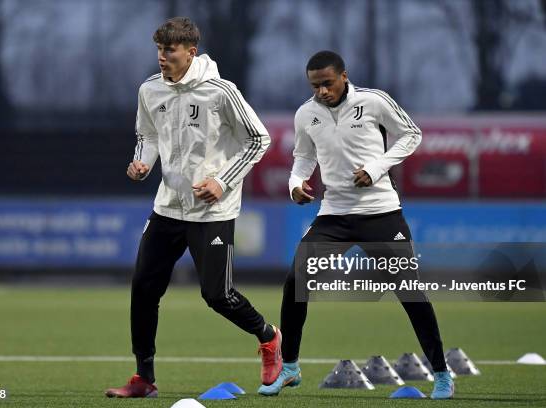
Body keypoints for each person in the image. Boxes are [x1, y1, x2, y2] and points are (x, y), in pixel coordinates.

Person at [258, 51, 454, 399]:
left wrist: (377, 168)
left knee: (409, 291)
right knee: (296, 280)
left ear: (344, 77)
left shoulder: (373, 101)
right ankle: (289, 368)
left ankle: (441, 373)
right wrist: (294, 184)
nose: (321, 92)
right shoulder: (306, 114)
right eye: (315, 86)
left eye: (327, 84)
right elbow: (303, 157)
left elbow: (411, 134)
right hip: (334, 215)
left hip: (382, 213)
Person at [105, 17, 281, 398]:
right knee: (143, 288)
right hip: (168, 206)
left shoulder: (221, 91)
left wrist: (222, 181)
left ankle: (268, 337)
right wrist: (142, 162)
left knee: (217, 296)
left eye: (169, 51)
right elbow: (147, 134)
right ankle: (144, 379)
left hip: (211, 211)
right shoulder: (150, 90)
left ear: (191, 52)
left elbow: (258, 140)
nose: (162, 58)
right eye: (158, 50)